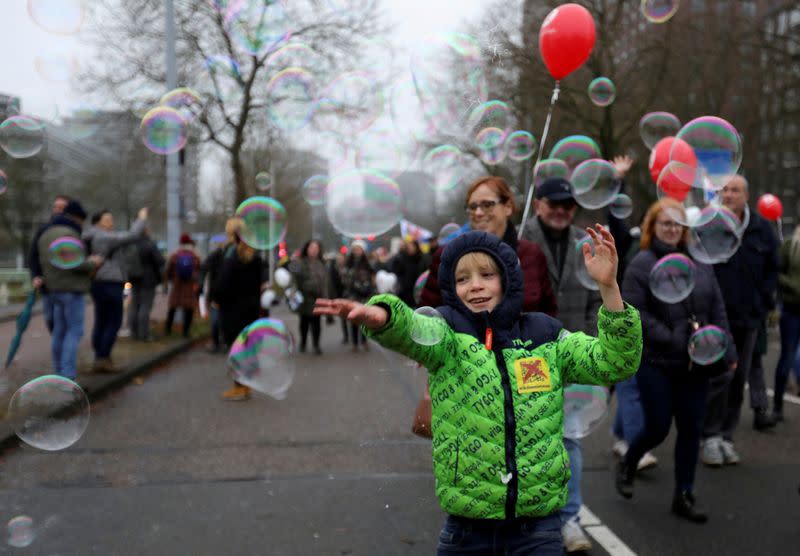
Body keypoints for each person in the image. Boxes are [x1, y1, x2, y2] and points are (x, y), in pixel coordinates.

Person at [314, 228, 642, 555]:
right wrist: (382, 315)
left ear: (508, 279)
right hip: (467, 531)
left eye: (487, 274)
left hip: (538, 528)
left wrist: (608, 287)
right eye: (462, 279)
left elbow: (615, 363)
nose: (475, 285)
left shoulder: (546, 335)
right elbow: (410, 328)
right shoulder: (446, 335)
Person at [616, 198, 736, 523]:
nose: (672, 229)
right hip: (657, 363)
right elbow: (634, 312)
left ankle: (684, 494)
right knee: (656, 427)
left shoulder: (699, 260)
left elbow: (717, 307)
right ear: (653, 226)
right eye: (665, 223)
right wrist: (672, 338)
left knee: (691, 429)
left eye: (678, 224)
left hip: (696, 363)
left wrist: (729, 351)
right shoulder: (641, 263)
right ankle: (629, 461)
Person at [522, 176, 604, 550]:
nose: (561, 210)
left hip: (575, 357)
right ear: (537, 203)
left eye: (568, 205)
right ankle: (531, 518)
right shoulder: (519, 239)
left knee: (570, 439)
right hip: (528, 360)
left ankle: (570, 520)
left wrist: (589, 350)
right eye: (553, 202)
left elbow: (595, 303)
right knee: (529, 439)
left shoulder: (584, 244)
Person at [701, 175, 779, 467]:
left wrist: (763, 304)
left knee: (738, 378)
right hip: (715, 317)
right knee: (717, 375)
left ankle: (726, 436)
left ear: (746, 195)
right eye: (725, 190)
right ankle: (708, 435)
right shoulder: (710, 226)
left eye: (735, 190)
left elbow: (773, 268)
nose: (729, 194)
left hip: (748, 318)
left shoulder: (762, 229)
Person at [36, 200, 103, 378]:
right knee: (74, 331)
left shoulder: (45, 233)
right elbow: (74, 263)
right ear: (76, 218)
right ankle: (68, 374)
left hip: (54, 289)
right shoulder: (69, 233)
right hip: (71, 289)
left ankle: (58, 370)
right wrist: (93, 262)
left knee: (59, 331)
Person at [83, 207, 148, 372]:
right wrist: (141, 218)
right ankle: (103, 358)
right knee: (114, 320)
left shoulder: (91, 236)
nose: (111, 223)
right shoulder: (102, 236)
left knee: (101, 320)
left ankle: (100, 357)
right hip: (109, 282)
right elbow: (132, 236)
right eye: (107, 220)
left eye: (111, 219)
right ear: (98, 223)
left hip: (98, 282)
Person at [214, 218, 269, 401]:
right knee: (247, 345)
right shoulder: (254, 254)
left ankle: (239, 386)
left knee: (235, 347)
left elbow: (223, 282)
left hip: (232, 308)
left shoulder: (231, 254)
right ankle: (246, 385)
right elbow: (260, 279)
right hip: (251, 307)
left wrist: (216, 299)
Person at [29, 194, 70, 333]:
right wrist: (35, 275)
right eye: (56, 207)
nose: (58, 210)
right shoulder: (43, 229)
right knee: (50, 319)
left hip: (67, 285)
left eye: (62, 207)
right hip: (48, 284)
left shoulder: (74, 230)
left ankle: (64, 348)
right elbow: (33, 255)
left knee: (65, 320)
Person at [772, 224, 800, 421]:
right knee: (787, 356)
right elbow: (775, 272)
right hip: (792, 310)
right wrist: (795, 287)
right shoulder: (791, 245)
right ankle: (778, 405)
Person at [126, 227, 164, 341]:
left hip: (133, 278)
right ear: (146, 231)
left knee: (134, 305)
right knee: (145, 307)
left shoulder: (131, 244)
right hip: (148, 279)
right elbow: (160, 260)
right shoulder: (149, 244)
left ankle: (133, 332)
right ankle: (144, 334)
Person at [295, 239, 328, 355]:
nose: (314, 250)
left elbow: (325, 283)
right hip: (304, 299)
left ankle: (316, 345)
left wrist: (326, 297)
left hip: (317, 299)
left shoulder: (321, 264)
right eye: (311, 248)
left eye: (316, 248)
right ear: (307, 249)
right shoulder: (300, 263)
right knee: (304, 322)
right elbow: (296, 280)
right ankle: (303, 342)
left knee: (317, 323)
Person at [164, 233, 201, 338]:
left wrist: (172, 279)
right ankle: (185, 332)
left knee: (173, 307)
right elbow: (199, 269)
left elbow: (168, 271)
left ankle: (168, 329)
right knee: (188, 309)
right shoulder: (194, 255)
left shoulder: (175, 255)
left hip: (177, 284)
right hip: (189, 285)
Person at [344, 240, 375, 352]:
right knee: (354, 319)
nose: (357, 251)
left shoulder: (367, 263)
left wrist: (369, 288)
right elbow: (345, 278)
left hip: (365, 295)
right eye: (355, 249)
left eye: (359, 249)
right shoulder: (349, 263)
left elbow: (372, 278)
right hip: (353, 296)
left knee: (364, 320)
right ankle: (355, 343)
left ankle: (364, 341)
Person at [200, 235, 229, 353]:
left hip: (218, 293)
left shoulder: (215, 256)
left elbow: (203, 269)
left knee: (218, 319)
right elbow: (204, 269)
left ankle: (219, 342)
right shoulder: (218, 256)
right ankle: (220, 342)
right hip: (219, 293)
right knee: (218, 319)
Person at [391, 239, 428, 307]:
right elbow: (397, 273)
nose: (410, 248)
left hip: (418, 291)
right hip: (405, 292)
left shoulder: (422, 259)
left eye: (412, 246)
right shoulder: (402, 259)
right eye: (408, 247)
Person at [328, 251, 350, 344]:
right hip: (339, 295)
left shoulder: (349, 268)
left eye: (342, 258)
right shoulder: (333, 269)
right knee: (343, 317)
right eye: (339, 258)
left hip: (350, 295)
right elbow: (332, 283)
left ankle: (357, 338)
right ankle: (346, 336)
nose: (340, 260)